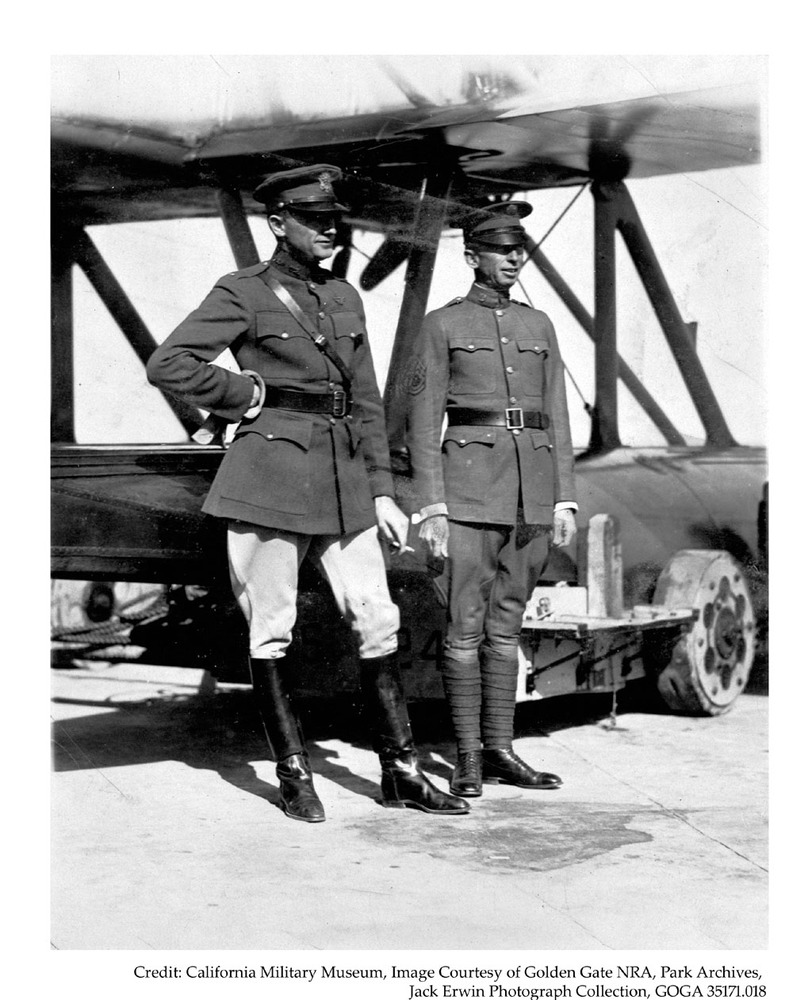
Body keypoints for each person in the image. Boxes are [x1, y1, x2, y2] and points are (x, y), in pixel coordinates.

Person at [146, 164, 468, 822]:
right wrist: (245, 395)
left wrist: (382, 490)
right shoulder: (242, 292)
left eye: (334, 220)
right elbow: (168, 362)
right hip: (268, 480)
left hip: (347, 483)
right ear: (277, 223)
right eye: (315, 220)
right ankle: (294, 773)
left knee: (377, 618)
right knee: (273, 631)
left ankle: (400, 769)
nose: (330, 230)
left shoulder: (345, 298)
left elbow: (367, 402)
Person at [406, 201, 578, 798]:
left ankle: (502, 749)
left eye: (518, 250)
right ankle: (467, 757)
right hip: (470, 496)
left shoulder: (540, 326)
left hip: (530, 498)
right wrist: (431, 507)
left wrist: (564, 500)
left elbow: (556, 416)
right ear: (472, 255)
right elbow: (424, 424)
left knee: (508, 628)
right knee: (464, 630)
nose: (513, 259)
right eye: (502, 250)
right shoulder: (443, 325)